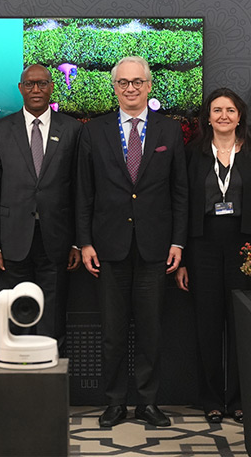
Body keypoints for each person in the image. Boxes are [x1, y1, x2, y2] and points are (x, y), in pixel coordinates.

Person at [76, 56, 187, 428]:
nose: (130, 88)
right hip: (109, 247)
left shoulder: (169, 131)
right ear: (114, 87)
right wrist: (85, 242)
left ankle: (148, 402)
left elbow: (180, 192)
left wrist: (178, 242)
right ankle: (114, 402)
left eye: (137, 81)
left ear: (149, 85)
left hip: (156, 248)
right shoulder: (94, 131)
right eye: (123, 82)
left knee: (151, 330)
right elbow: (84, 193)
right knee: (112, 332)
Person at [174, 88, 251, 425]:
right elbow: (182, 205)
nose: (223, 116)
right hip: (202, 247)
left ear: (240, 116)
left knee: (241, 324)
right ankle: (212, 399)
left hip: (245, 248)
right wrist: (182, 258)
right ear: (208, 117)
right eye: (217, 110)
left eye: (230, 110)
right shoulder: (193, 153)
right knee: (207, 324)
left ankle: (240, 399)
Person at [0, 64, 82, 341]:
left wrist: (77, 242)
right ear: (20, 88)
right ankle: (17, 369)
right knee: (16, 319)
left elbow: (79, 189)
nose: (36, 90)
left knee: (52, 321)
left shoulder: (72, 129)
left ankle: (49, 368)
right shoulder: (0, 130)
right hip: (11, 242)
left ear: (52, 87)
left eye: (42, 83)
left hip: (57, 242)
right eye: (29, 84)